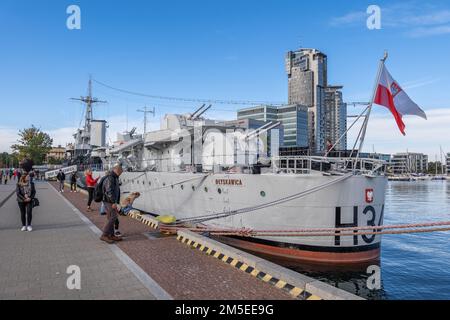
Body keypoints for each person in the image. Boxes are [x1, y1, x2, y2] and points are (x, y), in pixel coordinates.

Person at [100, 164, 123, 244]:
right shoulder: (110, 178)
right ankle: (104, 235)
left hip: (110, 201)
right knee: (113, 217)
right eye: (121, 171)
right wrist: (113, 202)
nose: (122, 172)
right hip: (109, 201)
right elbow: (109, 191)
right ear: (117, 170)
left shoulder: (114, 177)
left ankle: (111, 235)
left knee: (111, 217)